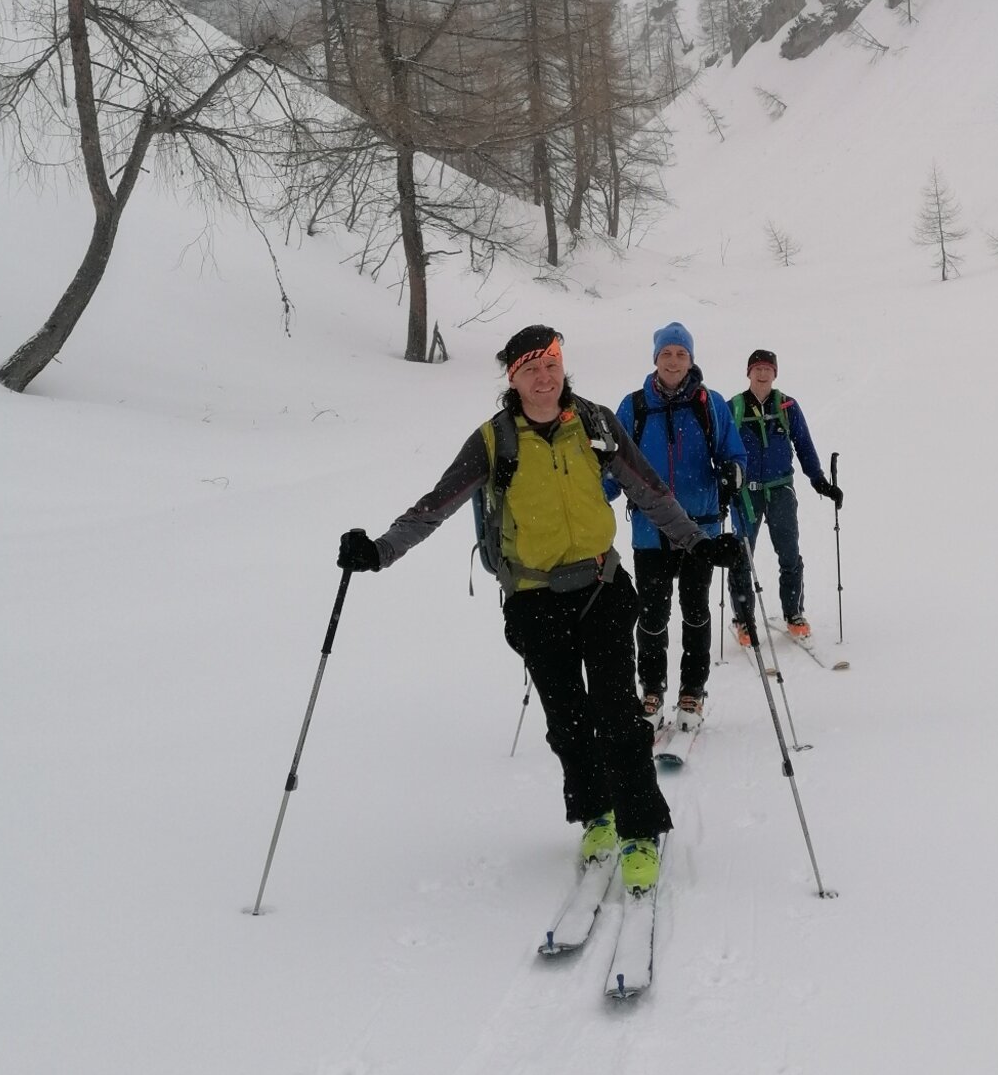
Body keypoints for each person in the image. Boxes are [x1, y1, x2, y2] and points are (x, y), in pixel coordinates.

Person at [336, 324, 741, 893]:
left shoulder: (596, 423)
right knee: (568, 722)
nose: (545, 377)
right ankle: (597, 815)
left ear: (561, 366)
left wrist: (698, 541)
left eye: (551, 364)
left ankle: (640, 830)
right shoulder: (493, 440)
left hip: (601, 587)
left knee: (619, 715)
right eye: (531, 369)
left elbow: (649, 490)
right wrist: (379, 551)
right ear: (513, 377)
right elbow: (435, 507)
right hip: (533, 600)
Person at [607, 322, 746, 725]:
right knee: (650, 615)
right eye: (666, 353)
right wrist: (595, 499)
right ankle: (651, 691)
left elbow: (733, 453)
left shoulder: (711, 404)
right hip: (651, 531)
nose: (673, 361)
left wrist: (731, 474)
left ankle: (691, 691)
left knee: (696, 611)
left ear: (691, 359)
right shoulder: (632, 407)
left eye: (680, 354)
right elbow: (614, 467)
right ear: (655, 358)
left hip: (701, 531)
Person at [727, 348, 842, 644]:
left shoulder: (787, 406)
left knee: (789, 553)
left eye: (768, 368)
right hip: (745, 493)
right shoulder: (733, 407)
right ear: (748, 372)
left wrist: (820, 482)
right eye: (757, 368)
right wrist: (721, 484)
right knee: (741, 556)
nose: (762, 373)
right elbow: (721, 449)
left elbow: (803, 444)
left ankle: (793, 613)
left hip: (780, 490)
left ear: (775, 373)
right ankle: (743, 619)